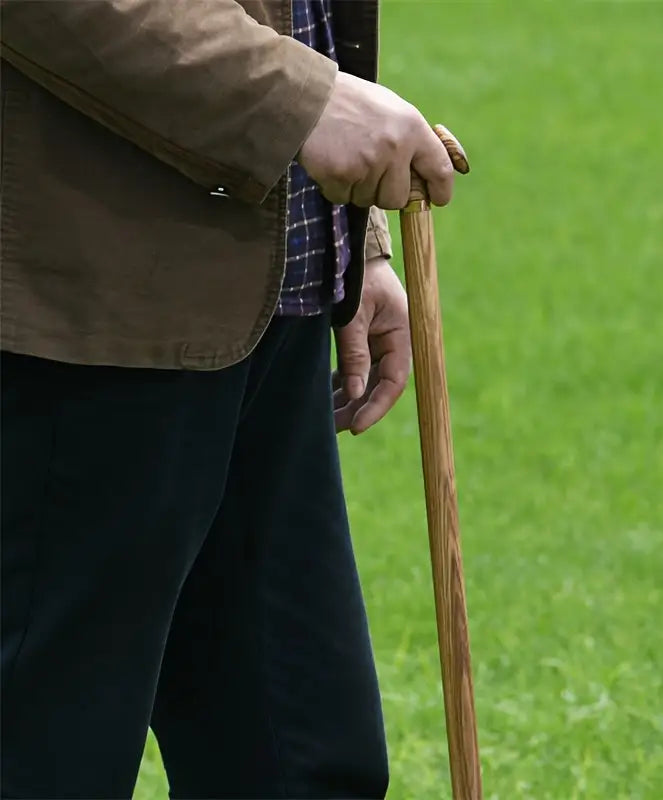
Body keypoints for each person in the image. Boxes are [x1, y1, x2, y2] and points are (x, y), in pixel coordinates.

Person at [0, 1, 455, 797]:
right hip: (78, 315)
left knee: (304, 764)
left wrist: (353, 237)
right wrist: (300, 103)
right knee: (48, 755)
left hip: (274, 295)